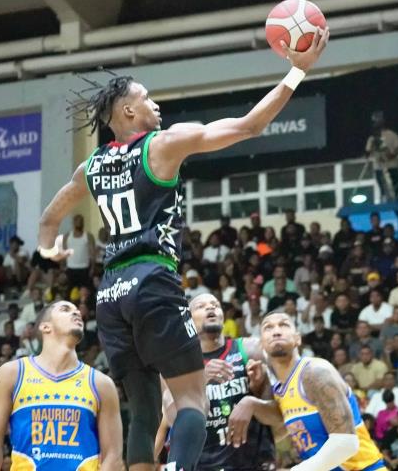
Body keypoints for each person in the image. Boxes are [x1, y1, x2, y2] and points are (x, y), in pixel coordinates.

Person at [37, 37, 333, 469]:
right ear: (128, 113)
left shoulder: (92, 165)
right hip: (151, 279)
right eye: (147, 98)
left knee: (144, 410)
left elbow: (49, 218)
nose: (156, 105)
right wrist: (297, 70)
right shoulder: (162, 144)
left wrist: (50, 249)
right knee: (193, 398)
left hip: (109, 295)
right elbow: (249, 126)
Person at [227, 312, 384, 471]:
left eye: (284, 325)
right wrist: (254, 396)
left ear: (298, 339)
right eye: (268, 327)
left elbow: (346, 444)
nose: (276, 331)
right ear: (262, 344)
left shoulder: (315, 372)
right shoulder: (281, 389)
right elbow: (278, 433)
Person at [0, 300, 123, 471]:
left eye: (77, 311)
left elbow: (112, 456)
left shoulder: (101, 384)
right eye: (65, 309)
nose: (76, 313)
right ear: (45, 327)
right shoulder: (12, 374)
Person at [154, 294, 275, 470]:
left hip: (252, 464)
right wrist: (201, 380)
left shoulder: (251, 350)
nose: (211, 308)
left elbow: (278, 417)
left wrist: (255, 400)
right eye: (201, 306)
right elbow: (173, 419)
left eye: (215, 305)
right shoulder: (174, 366)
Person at [366, 110, 398, 201]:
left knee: (396, 187)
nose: (376, 123)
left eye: (378, 120)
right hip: (379, 167)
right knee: (383, 188)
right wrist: (373, 146)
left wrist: (390, 156)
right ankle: (385, 200)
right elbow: (367, 153)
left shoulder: (391, 134)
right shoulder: (372, 138)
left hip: (391, 166)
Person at [63, 214, 95, 289]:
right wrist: (63, 267)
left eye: (81, 221)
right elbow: (64, 253)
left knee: (84, 291)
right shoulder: (67, 236)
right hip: (70, 268)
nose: (79, 223)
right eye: (77, 221)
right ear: (73, 222)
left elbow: (92, 253)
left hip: (84, 268)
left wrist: (92, 268)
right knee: (71, 291)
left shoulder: (88, 236)